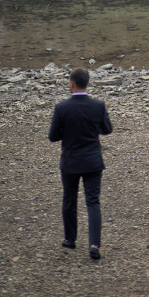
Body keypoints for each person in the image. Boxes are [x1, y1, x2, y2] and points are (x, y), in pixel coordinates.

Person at [48, 68, 113, 260]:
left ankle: (70, 238)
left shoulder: (62, 108)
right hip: (93, 160)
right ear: (87, 83)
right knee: (93, 201)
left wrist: (67, 133)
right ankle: (94, 244)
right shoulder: (98, 105)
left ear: (72, 83)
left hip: (71, 161)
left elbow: (53, 137)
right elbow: (107, 129)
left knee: (69, 200)